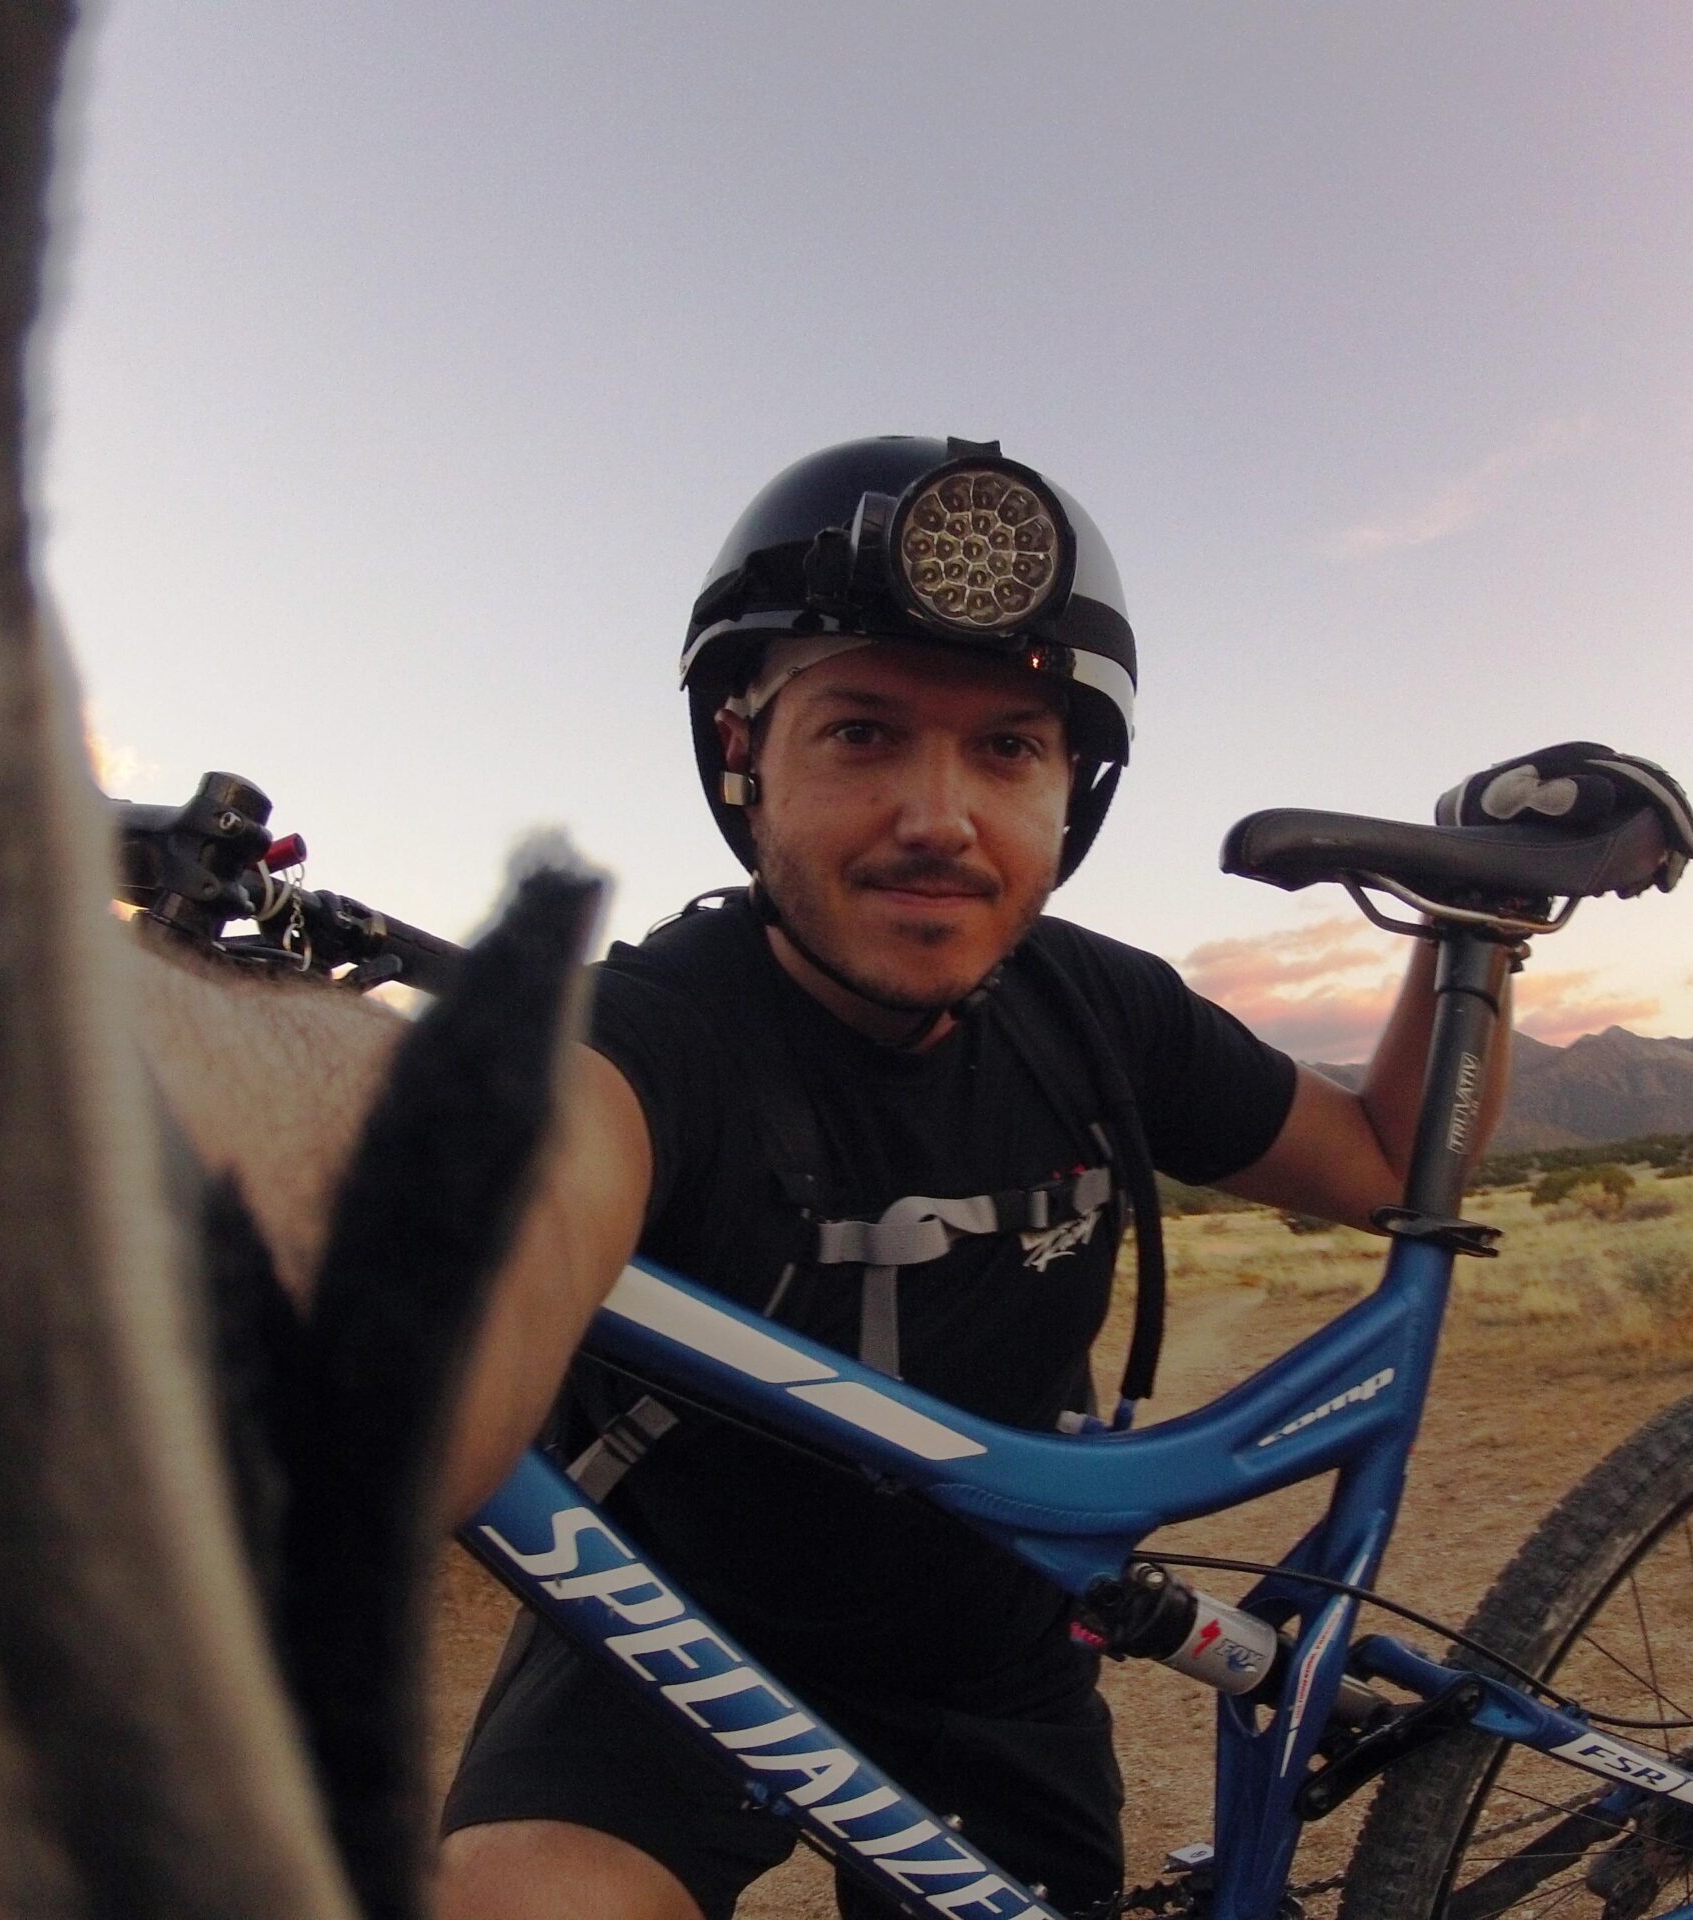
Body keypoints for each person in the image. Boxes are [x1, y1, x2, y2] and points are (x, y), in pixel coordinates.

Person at [432, 436, 1509, 1920]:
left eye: (1008, 747)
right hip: (667, 1630)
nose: (938, 816)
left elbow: (1387, 1161)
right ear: (745, 759)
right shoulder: (653, 1028)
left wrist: (1483, 931)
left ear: (1074, 791)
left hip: (1001, 1656)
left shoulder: (1103, 1013)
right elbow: (512, 1206)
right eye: (861, 734)